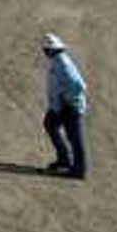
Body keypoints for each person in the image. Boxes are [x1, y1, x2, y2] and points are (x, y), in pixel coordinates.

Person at [40, 32, 90, 179]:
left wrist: (67, 100)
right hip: (60, 106)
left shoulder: (63, 64)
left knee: (75, 138)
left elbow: (79, 86)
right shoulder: (58, 60)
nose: (45, 52)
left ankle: (79, 170)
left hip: (70, 107)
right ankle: (64, 160)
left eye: (46, 49)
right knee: (50, 124)